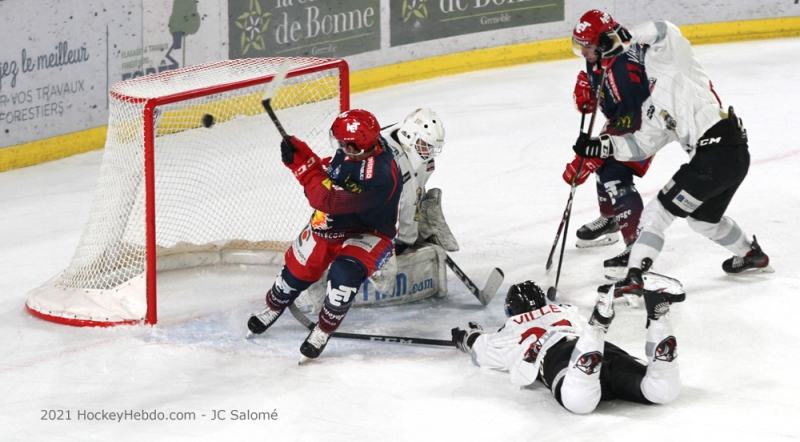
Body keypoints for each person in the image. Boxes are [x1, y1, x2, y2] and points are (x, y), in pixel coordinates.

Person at [569, 10, 773, 296]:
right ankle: (752, 255)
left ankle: (635, 276)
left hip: (717, 147)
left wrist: (625, 37)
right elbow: (641, 144)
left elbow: (663, 29)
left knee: (657, 213)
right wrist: (602, 147)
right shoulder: (651, 106)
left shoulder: (671, 60)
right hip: (726, 157)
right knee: (702, 220)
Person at [247, 109, 402, 360]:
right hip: (330, 225)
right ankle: (274, 306)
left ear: (355, 146)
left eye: (343, 143)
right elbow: (330, 175)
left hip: (369, 232)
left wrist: (303, 167)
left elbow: (325, 198)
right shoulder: (362, 147)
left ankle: (324, 329)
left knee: (345, 273)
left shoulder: (378, 176)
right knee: (294, 275)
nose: (339, 146)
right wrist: (305, 156)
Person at [294, 108, 457, 311]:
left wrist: (423, 215)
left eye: (432, 147)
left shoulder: (417, 155)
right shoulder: (383, 160)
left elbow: (414, 191)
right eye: (425, 145)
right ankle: (310, 281)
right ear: (409, 136)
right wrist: (385, 244)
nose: (429, 152)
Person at [452, 279, 683, 414]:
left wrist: (468, 337)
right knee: (661, 390)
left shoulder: (511, 327)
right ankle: (659, 319)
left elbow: (480, 351)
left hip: (558, 356)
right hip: (598, 348)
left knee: (580, 402)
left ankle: (595, 328)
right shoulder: (564, 310)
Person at [565, 13, 656, 278]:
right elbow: (600, 78)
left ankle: (637, 250)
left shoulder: (624, 71)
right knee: (602, 164)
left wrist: (594, 154)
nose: (583, 52)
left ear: (604, 42)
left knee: (615, 172)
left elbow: (631, 121)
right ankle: (611, 218)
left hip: (647, 124)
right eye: (580, 45)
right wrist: (590, 88)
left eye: (588, 46)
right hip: (626, 117)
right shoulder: (607, 48)